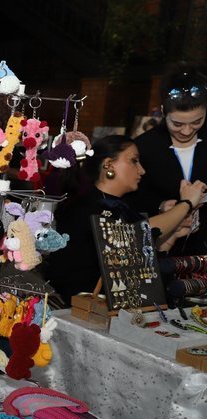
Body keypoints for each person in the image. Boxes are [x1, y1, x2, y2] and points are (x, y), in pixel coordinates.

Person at [47, 135, 206, 305]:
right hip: (80, 306)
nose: (142, 170)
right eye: (134, 161)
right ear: (108, 164)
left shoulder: (121, 205)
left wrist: (172, 235)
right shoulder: (89, 206)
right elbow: (138, 233)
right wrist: (187, 203)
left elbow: (139, 256)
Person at [124, 64, 207, 255]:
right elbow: (131, 198)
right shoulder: (144, 146)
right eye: (177, 124)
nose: (186, 131)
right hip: (163, 248)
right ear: (163, 111)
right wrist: (160, 206)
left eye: (197, 122)